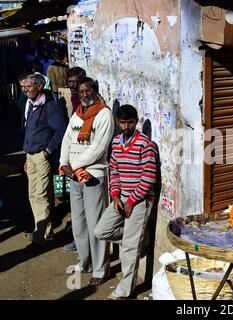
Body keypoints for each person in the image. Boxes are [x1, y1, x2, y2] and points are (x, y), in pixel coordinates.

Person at [94, 104, 159, 300]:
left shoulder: (145, 144)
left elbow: (149, 177)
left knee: (130, 248)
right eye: (122, 122)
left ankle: (124, 291)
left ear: (136, 121)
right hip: (120, 198)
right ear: (117, 121)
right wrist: (115, 196)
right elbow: (113, 170)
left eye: (130, 122)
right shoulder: (115, 142)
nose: (126, 126)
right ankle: (141, 239)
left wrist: (131, 201)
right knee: (101, 231)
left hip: (140, 200)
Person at [59, 77, 114, 286]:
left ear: (95, 91)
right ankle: (86, 261)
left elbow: (99, 148)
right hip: (74, 174)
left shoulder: (104, 114)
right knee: (80, 223)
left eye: (87, 91)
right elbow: (67, 139)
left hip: (93, 175)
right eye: (81, 91)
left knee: (95, 224)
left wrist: (74, 165)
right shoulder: (78, 113)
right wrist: (64, 163)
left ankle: (101, 269)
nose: (84, 94)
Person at [22, 73, 67, 252]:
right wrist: (27, 155)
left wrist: (47, 152)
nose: (25, 90)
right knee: (33, 194)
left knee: (41, 195)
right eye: (24, 87)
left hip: (42, 156)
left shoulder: (50, 107)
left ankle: (40, 237)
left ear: (39, 87)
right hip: (31, 155)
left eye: (28, 87)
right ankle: (43, 231)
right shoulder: (31, 104)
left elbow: (60, 131)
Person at [60, 67, 87, 253]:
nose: (72, 85)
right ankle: (78, 241)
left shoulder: (87, 105)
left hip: (82, 163)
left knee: (84, 209)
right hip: (69, 161)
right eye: (69, 82)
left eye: (75, 82)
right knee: (74, 206)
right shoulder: (74, 100)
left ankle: (82, 245)